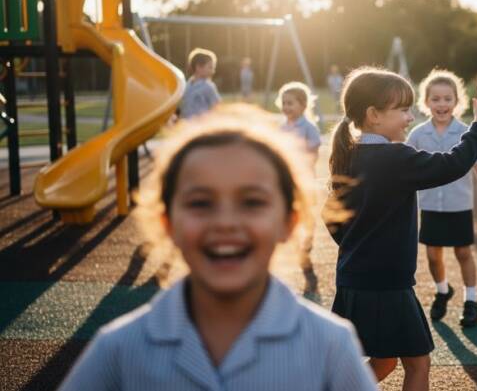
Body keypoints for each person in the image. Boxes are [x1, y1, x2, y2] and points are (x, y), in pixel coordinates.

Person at [59, 105, 378, 391]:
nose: (226, 222)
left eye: (252, 202)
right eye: (201, 203)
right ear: (167, 221)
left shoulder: (330, 346)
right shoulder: (119, 350)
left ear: (289, 221)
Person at [326, 67, 477, 391]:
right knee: (418, 363)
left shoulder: (351, 154)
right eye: (403, 109)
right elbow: (453, 164)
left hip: (357, 277)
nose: (409, 117)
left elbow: (330, 215)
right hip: (385, 283)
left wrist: (356, 244)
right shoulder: (394, 157)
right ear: (374, 115)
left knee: (384, 361)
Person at [406, 69, 477, 328]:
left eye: (447, 99)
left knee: (463, 252)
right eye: (435, 99)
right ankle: (443, 290)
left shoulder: (467, 132)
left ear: (457, 102)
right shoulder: (417, 134)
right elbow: (405, 166)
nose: (442, 104)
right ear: (426, 103)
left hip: (459, 205)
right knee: (433, 254)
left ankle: (472, 300)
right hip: (430, 204)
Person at [276, 81, 321, 278]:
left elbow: (313, 151)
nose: (286, 107)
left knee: (308, 217)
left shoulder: (308, 127)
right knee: (290, 215)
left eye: (291, 103)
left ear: (302, 106)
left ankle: (307, 244)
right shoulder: (282, 127)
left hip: (306, 181)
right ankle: (297, 248)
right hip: (287, 181)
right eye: (284, 103)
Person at [179, 48, 221, 119]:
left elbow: (217, 107)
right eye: (210, 67)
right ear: (198, 67)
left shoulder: (209, 86)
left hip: (202, 127)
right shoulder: (186, 85)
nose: (213, 71)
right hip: (187, 126)